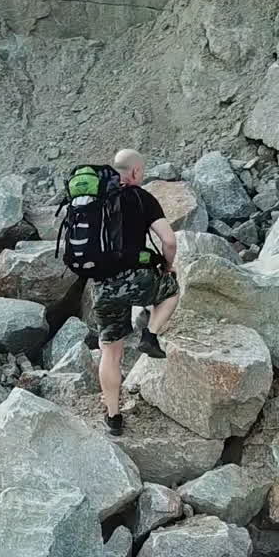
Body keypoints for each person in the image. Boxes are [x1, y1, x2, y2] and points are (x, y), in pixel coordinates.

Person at [91, 148, 180, 437]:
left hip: (102, 285)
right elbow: (168, 240)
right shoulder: (142, 197)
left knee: (110, 352)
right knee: (171, 291)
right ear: (136, 172)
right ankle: (150, 334)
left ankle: (113, 417)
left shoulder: (93, 199)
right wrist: (167, 267)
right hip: (138, 279)